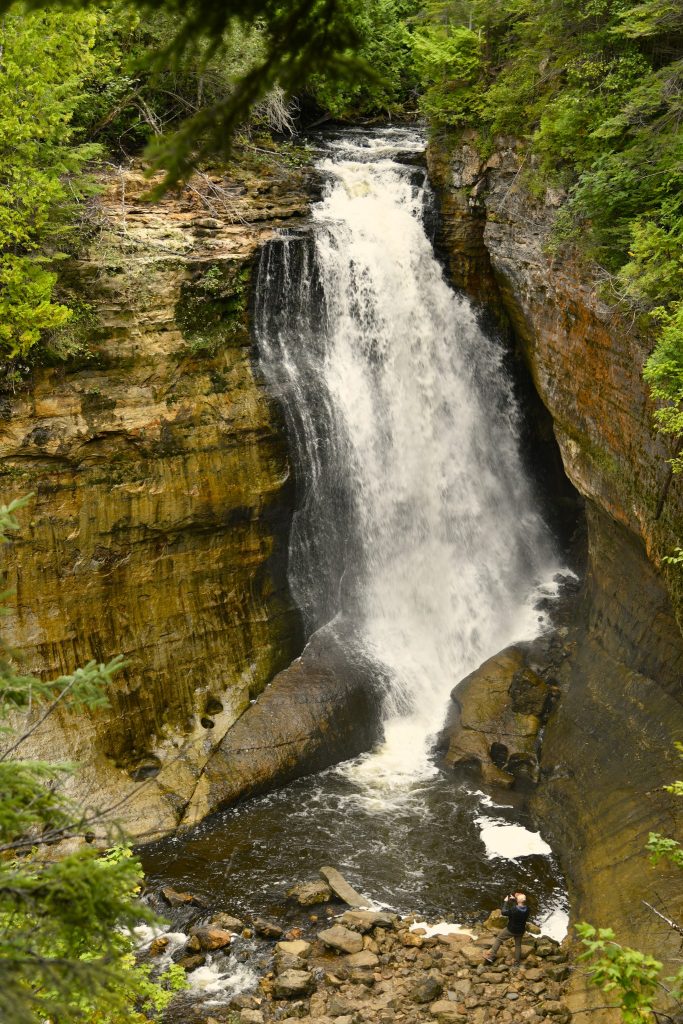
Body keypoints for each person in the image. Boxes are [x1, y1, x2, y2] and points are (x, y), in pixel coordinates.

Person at [484, 892, 529, 965]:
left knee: (499, 939)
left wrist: (505, 902)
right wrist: (514, 899)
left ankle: (491, 956)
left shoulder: (514, 909)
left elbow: (503, 912)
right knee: (518, 945)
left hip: (511, 929)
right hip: (521, 930)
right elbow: (519, 905)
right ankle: (517, 962)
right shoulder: (527, 909)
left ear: (518, 901)